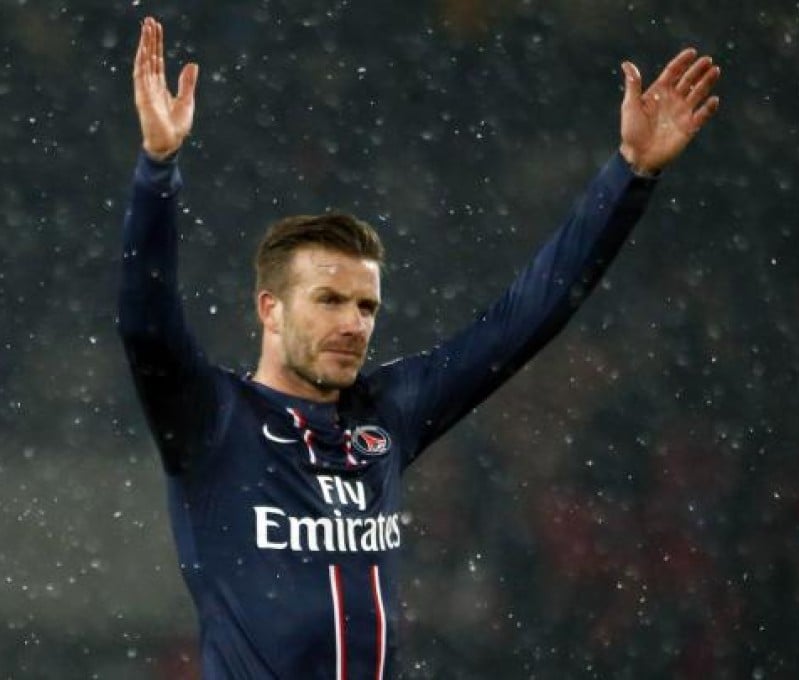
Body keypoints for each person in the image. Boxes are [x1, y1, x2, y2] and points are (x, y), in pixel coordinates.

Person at [119, 15, 720, 680]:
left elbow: (526, 318)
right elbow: (146, 324)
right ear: (270, 308)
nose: (353, 323)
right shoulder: (212, 420)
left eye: (366, 306)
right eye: (328, 300)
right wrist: (158, 168)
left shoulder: (385, 414)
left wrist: (630, 174)